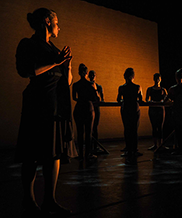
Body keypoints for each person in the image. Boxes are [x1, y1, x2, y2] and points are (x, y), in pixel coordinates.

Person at [15, 8, 75, 216]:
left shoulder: (54, 49)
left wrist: (67, 66)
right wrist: (56, 62)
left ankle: (49, 200)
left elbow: (66, 83)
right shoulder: (28, 44)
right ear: (47, 21)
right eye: (57, 22)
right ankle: (29, 200)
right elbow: (26, 71)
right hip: (36, 106)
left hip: (54, 109)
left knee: (54, 155)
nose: (59, 27)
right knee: (31, 155)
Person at [73, 64, 100, 163]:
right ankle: (88, 154)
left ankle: (80, 154)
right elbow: (96, 98)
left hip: (79, 107)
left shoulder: (76, 85)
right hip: (88, 108)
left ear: (79, 72)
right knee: (88, 132)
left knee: (80, 132)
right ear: (87, 73)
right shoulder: (90, 84)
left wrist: (81, 99)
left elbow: (74, 98)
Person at [117, 68, 143, 164]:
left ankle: (128, 149)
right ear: (133, 77)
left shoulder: (122, 88)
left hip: (125, 109)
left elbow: (118, 99)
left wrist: (124, 101)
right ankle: (134, 149)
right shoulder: (137, 87)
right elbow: (141, 99)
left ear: (124, 76)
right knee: (134, 129)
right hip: (135, 109)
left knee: (127, 129)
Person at [165, 68, 182, 155]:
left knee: (178, 130)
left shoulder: (172, 89)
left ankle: (179, 148)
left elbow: (166, 99)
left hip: (177, 109)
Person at [146, 73, 167, 150]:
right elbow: (147, 99)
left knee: (160, 127)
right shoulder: (150, 89)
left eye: (158, 78)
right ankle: (155, 144)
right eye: (155, 78)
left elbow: (167, 98)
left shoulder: (163, 89)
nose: (157, 80)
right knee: (154, 127)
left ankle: (161, 144)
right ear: (153, 79)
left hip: (160, 108)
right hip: (153, 109)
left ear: (160, 79)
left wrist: (163, 101)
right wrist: (150, 101)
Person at [88, 70, 104, 153]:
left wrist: (95, 90)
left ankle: (95, 146)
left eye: (93, 75)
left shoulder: (99, 86)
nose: (92, 77)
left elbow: (101, 99)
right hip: (89, 108)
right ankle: (91, 146)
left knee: (95, 127)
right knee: (90, 128)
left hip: (96, 108)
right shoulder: (87, 86)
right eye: (91, 75)